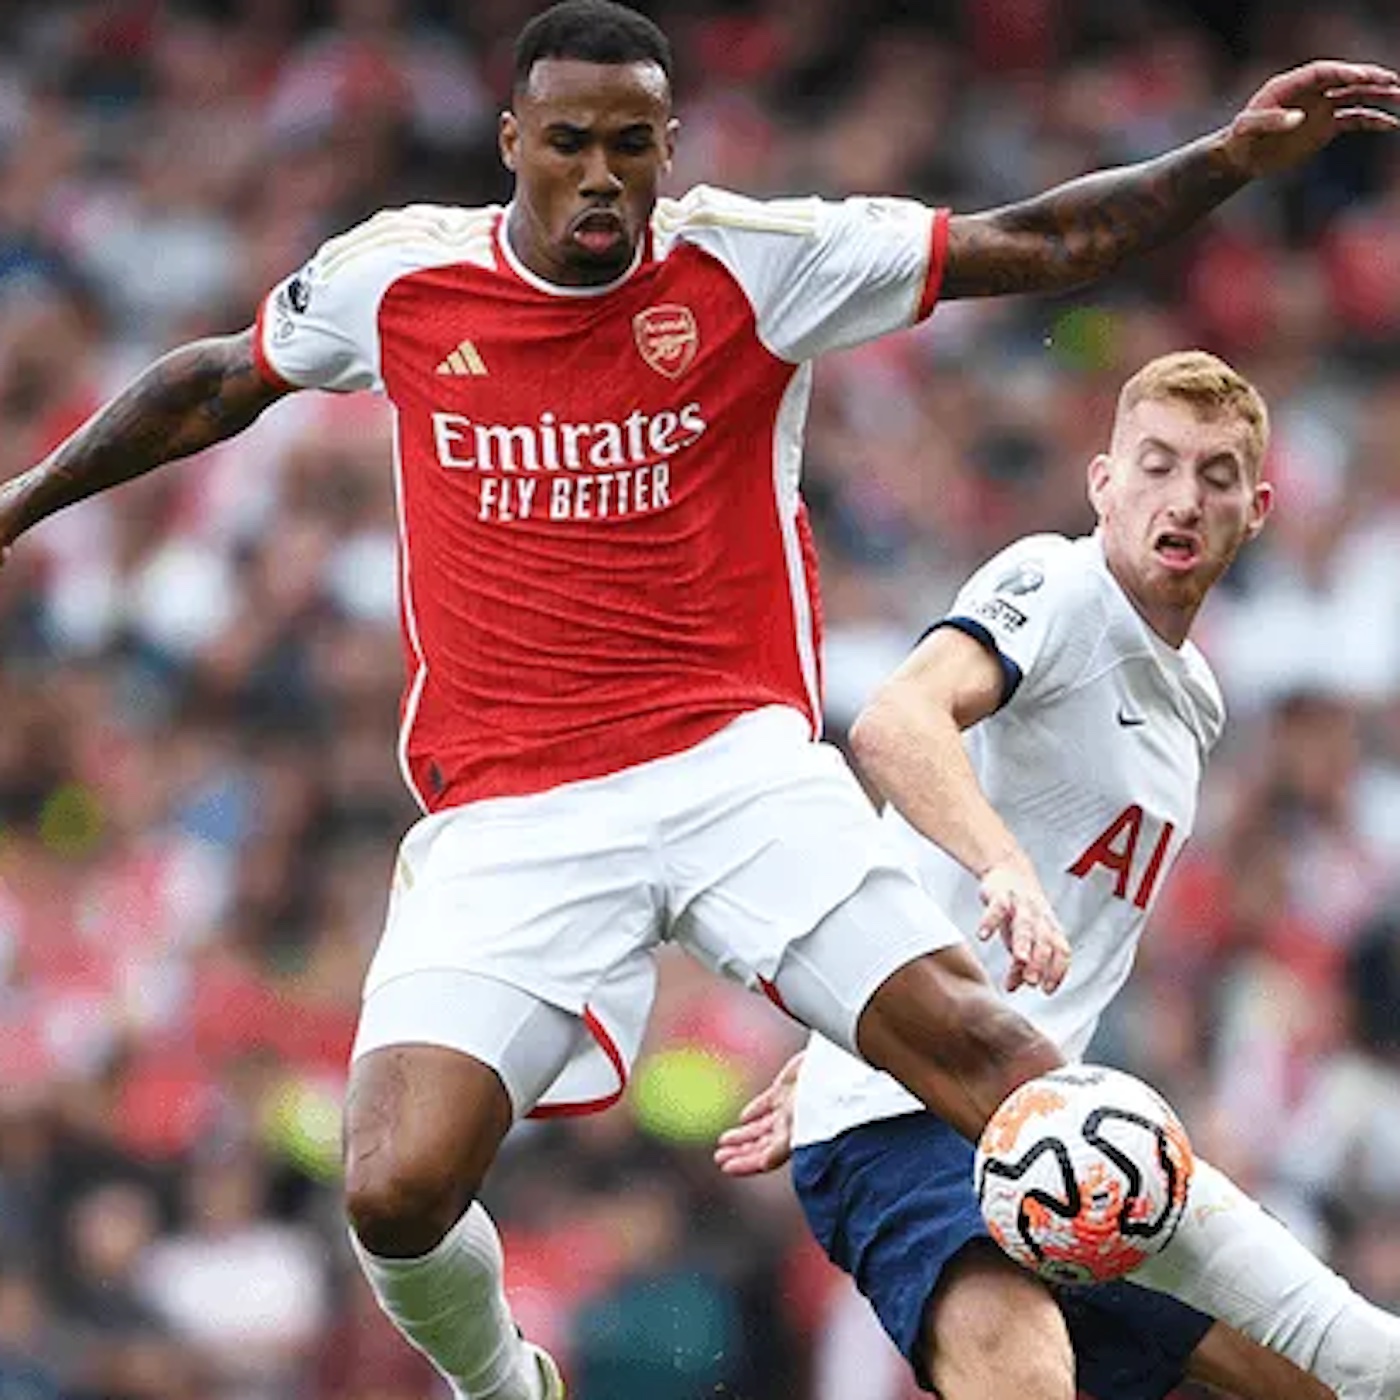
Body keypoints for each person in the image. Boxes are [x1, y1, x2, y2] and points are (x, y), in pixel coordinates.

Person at [0, 0, 1395, 1393]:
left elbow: (1039, 241)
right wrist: (24, 499)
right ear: (511, 141)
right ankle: (506, 1383)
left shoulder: (753, 261)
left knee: (1000, 1065)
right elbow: (213, 384)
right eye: (568, 143)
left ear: (669, 147)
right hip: (515, 808)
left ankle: (1350, 1354)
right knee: (393, 1187)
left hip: (736, 774)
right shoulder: (401, 278)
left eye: (631, 145)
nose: (600, 175)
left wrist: (1225, 159)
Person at [715, 352, 1400, 1400]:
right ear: (1102, 484)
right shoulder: (1058, 585)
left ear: (1255, 511)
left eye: (1215, 476)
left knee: (1341, 1373)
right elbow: (898, 722)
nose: (1182, 498)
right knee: (1023, 1375)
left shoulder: (1193, 700)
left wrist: (852, 1020)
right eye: (1156, 466)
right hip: (913, 1125)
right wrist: (998, 870)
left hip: (1070, 1130)